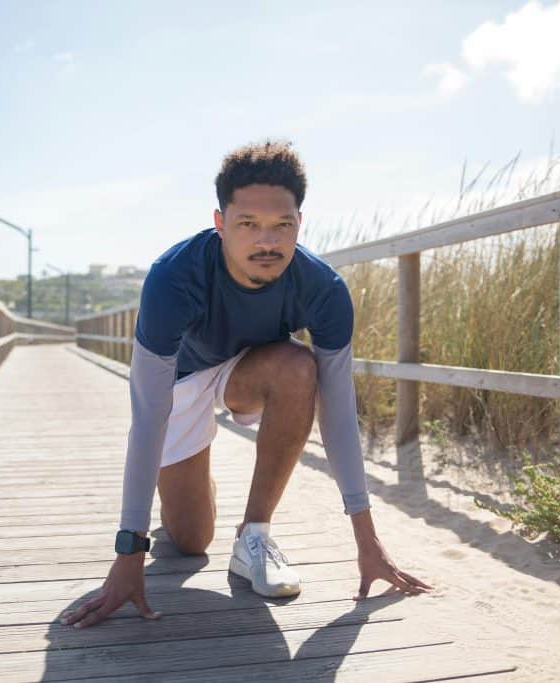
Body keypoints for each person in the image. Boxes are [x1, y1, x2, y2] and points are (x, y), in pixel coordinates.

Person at [62, 140, 432, 629]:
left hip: (255, 369)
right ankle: (194, 476)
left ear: (300, 222)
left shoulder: (323, 290)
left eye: (282, 225)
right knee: (191, 541)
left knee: (301, 367)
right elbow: (148, 415)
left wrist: (367, 539)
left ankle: (254, 535)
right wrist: (129, 551)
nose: (267, 242)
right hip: (184, 382)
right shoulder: (172, 279)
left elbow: (339, 413)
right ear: (220, 224)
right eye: (247, 225)